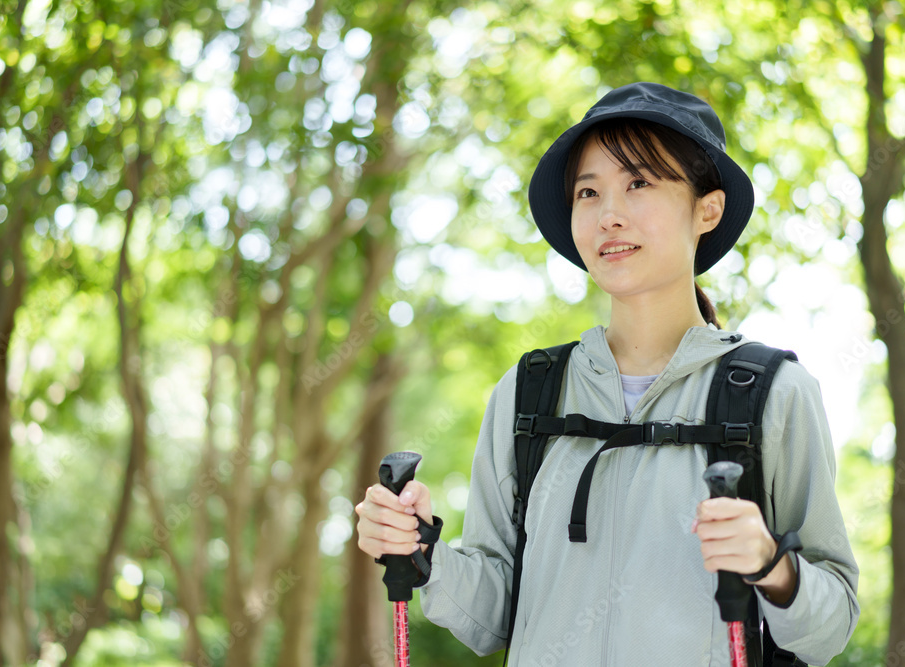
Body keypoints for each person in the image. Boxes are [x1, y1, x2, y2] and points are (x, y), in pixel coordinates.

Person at [355, 82, 859, 665]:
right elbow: (492, 618)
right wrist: (421, 553)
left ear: (707, 209)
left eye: (639, 183)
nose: (609, 215)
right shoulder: (527, 392)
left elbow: (830, 626)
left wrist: (772, 564)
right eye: (588, 192)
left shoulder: (774, 395)